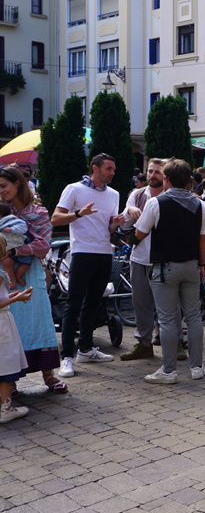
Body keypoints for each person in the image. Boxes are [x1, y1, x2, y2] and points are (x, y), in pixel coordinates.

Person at [135, 159, 205, 384]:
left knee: (167, 319)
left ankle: (168, 371)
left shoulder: (156, 203)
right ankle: (197, 366)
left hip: (165, 267)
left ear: (166, 179)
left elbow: (140, 233)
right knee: (193, 316)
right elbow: (203, 239)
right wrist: (201, 264)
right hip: (191, 265)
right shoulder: (200, 204)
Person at [52, 154, 127, 376]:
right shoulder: (74, 189)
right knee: (74, 303)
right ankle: (67, 356)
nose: (113, 173)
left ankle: (85, 348)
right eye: (108, 168)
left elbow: (108, 228)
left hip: (105, 253)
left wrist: (115, 224)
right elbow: (55, 218)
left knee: (94, 302)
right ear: (95, 168)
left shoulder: (114, 194)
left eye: (114, 169)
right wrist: (78, 214)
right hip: (82, 252)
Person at [0, 167, 64, 393]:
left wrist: (14, 250)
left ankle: (49, 375)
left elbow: (43, 246)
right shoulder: (1, 212)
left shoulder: (39, 212)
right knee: (10, 326)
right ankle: (10, 382)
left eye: (4, 186)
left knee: (40, 322)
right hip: (5, 276)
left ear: (17, 183)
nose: (1, 191)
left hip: (32, 273)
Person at [119, 158, 168, 361]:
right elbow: (124, 224)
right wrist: (129, 210)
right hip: (139, 257)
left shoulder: (170, 195)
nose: (152, 175)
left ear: (165, 176)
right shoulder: (137, 194)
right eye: (150, 171)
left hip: (163, 258)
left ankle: (173, 342)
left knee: (168, 305)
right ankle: (144, 343)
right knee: (141, 303)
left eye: (157, 172)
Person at [0, 236, 32, 423]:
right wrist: (17, 298)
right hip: (1, 325)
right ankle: (6, 408)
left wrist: (12, 296)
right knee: (5, 365)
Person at [0, 201, 33, 290]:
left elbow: (23, 227)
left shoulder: (11, 220)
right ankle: (12, 281)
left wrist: (12, 229)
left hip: (20, 245)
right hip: (6, 248)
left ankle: (18, 276)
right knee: (7, 263)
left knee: (26, 263)